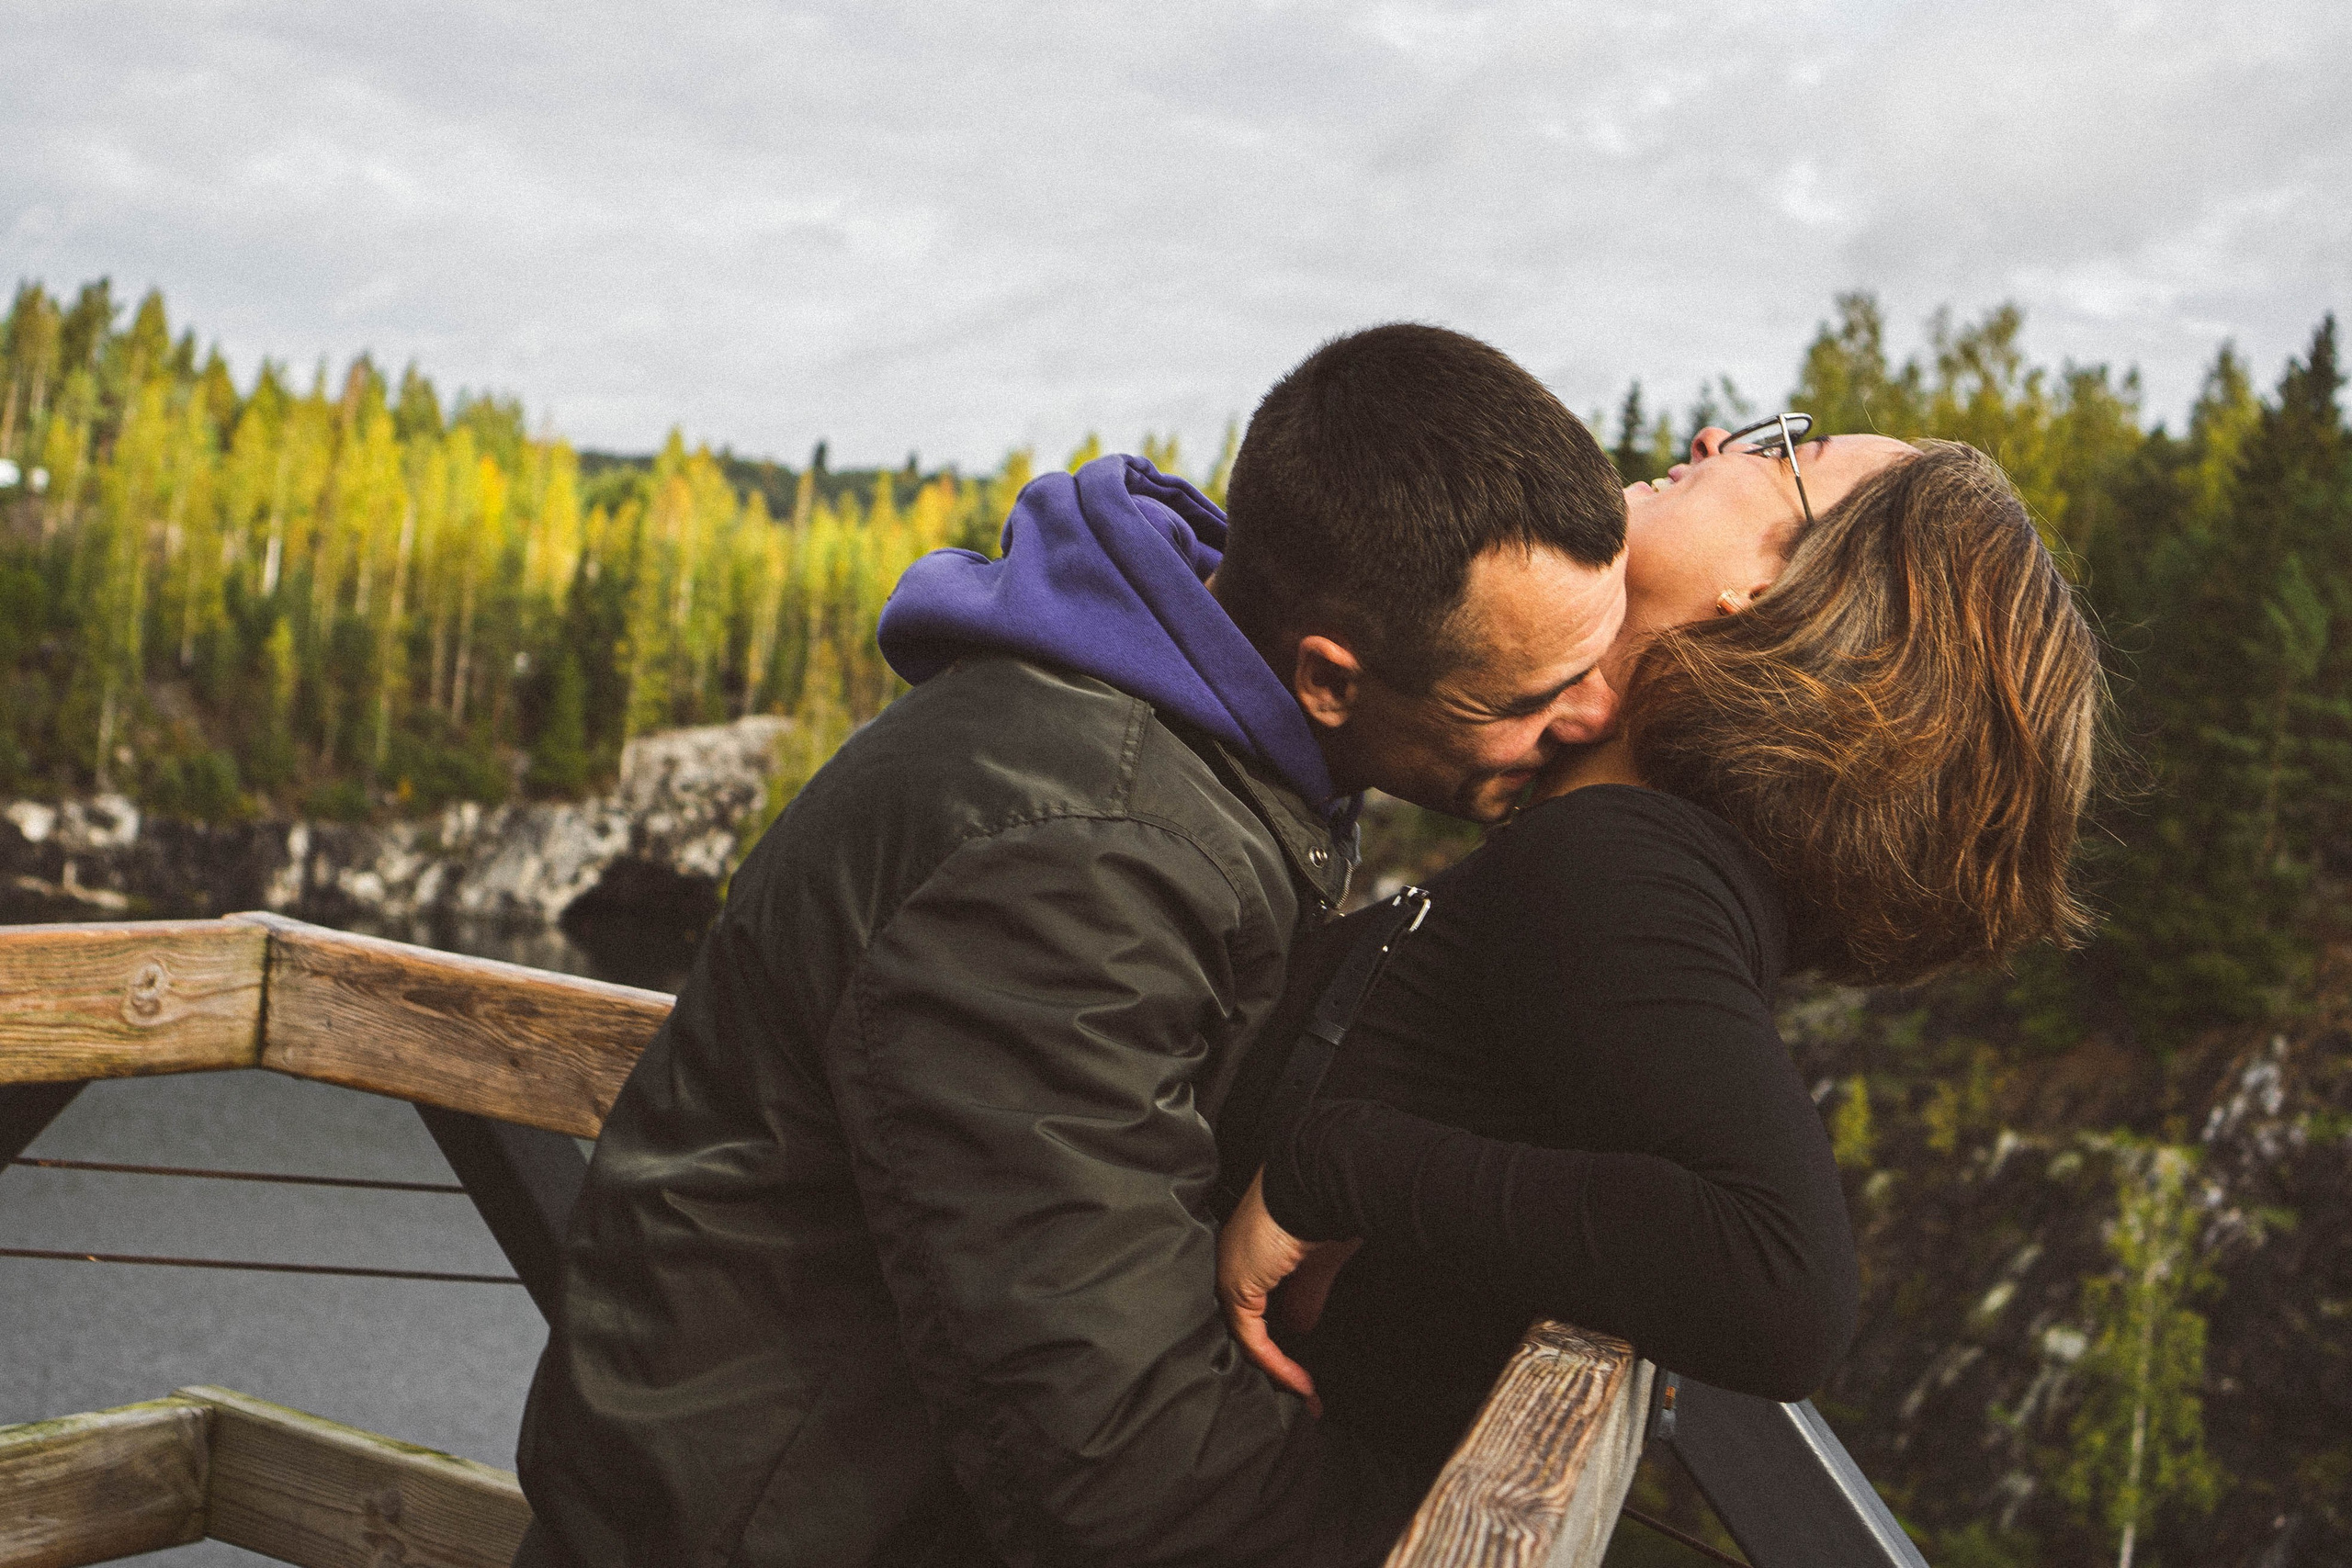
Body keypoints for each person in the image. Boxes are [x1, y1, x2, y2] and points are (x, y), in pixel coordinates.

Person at [510, 323, 1631, 1568]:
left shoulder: (1183, 746)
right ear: (1329, 679)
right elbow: (1110, 1446)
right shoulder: (1074, 861)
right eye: (1532, 695)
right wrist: (1416, 1531)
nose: (1593, 715)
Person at [1216, 423, 2102, 1517]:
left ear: (1776, 598)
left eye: (1790, 450)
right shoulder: (1649, 869)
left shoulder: (1622, 861)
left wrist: (1341, 1164)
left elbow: (1780, 1286)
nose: (1716, 435)